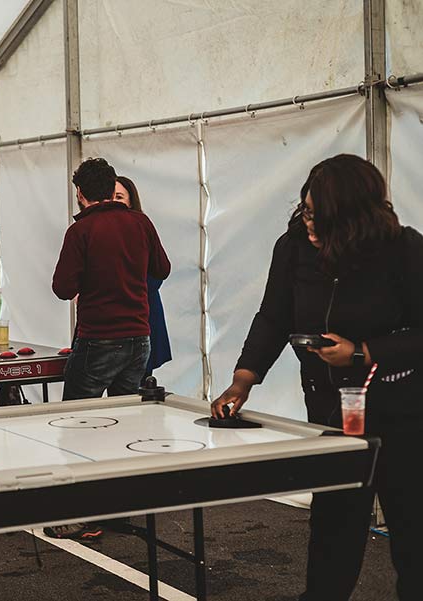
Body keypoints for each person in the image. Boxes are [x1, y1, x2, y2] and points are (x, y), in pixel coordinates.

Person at [210, 154, 423, 601]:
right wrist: (243, 378)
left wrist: (363, 352)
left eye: (319, 216)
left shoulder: (403, 248)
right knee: (333, 531)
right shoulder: (292, 248)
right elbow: (273, 316)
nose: (309, 223)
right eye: (306, 210)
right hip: (332, 412)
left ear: (354, 216)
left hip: (403, 413)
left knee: (413, 532)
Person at [46, 159, 170, 541]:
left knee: (78, 428)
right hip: (139, 338)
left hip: (98, 338)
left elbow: (63, 287)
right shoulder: (140, 223)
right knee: (123, 428)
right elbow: (162, 269)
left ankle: (80, 516)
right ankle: (119, 510)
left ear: (80, 194)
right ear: (111, 187)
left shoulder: (81, 230)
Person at [113, 175, 172, 379]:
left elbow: (159, 272)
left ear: (131, 201)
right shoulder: (100, 230)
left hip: (143, 316)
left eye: (119, 197)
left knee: (139, 382)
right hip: (113, 324)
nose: (115, 202)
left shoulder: (141, 227)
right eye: (110, 197)